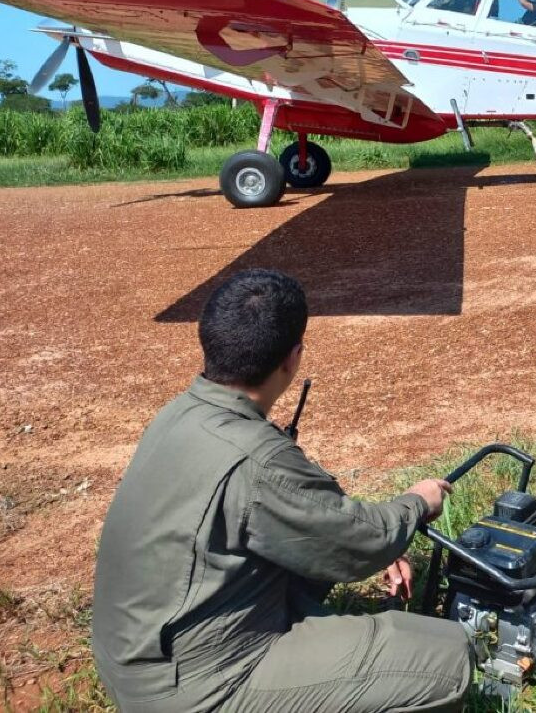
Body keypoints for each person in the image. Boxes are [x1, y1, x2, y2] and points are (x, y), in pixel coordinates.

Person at [91, 269, 472, 712]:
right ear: (293, 358)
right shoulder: (258, 461)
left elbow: (317, 514)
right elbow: (362, 541)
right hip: (195, 687)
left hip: (136, 660)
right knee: (446, 658)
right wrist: (417, 503)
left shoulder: (180, 414)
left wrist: (375, 540)